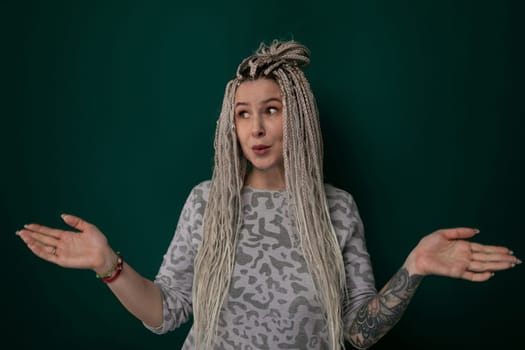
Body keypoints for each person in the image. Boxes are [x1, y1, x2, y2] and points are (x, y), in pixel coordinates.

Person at [16, 40, 520, 350]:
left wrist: (415, 267)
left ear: (296, 116)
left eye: (272, 109)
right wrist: (108, 265)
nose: (256, 127)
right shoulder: (206, 202)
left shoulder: (337, 209)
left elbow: (357, 333)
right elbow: (166, 311)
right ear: (230, 125)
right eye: (243, 113)